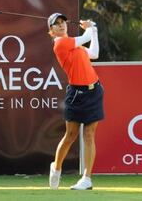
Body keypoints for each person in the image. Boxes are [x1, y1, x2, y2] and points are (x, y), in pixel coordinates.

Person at [47, 13, 104, 190]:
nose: (61, 25)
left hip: (94, 91)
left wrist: (93, 30)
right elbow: (85, 37)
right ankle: (56, 167)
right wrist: (90, 28)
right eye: (56, 24)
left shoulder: (75, 44)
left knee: (89, 134)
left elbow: (94, 53)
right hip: (76, 94)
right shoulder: (60, 43)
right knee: (70, 136)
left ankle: (87, 179)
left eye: (62, 22)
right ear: (51, 31)